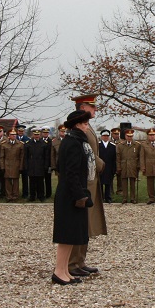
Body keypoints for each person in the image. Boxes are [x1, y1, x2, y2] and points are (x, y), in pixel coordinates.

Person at [51, 110, 94, 285]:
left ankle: (63, 270)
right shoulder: (73, 143)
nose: (87, 126)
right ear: (77, 125)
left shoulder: (74, 141)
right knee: (66, 234)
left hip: (72, 192)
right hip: (70, 194)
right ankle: (59, 271)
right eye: (84, 123)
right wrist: (80, 195)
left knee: (71, 235)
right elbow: (71, 172)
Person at [67, 93, 105, 277]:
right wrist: (100, 164)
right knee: (80, 223)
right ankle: (72, 263)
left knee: (87, 224)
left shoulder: (87, 127)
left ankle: (80, 260)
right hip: (85, 181)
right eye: (92, 107)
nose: (95, 109)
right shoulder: (79, 129)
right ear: (83, 108)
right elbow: (85, 152)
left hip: (90, 180)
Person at [25, 128, 50, 202]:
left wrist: (46, 166)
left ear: (40, 135)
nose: (36, 136)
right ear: (33, 134)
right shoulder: (28, 143)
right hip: (31, 165)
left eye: (38, 134)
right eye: (35, 134)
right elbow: (26, 156)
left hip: (40, 166)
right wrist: (26, 166)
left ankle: (41, 196)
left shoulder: (44, 144)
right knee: (32, 182)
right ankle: (32, 196)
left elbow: (46, 156)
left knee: (40, 182)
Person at [117, 128, 141, 203]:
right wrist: (118, 167)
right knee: (124, 182)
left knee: (132, 182)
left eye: (131, 136)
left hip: (133, 166)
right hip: (124, 165)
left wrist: (138, 165)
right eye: (128, 136)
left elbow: (139, 156)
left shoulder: (137, 145)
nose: (129, 138)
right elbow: (118, 157)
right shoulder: (120, 145)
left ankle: (132, 198)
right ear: (125, 136)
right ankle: (124, 198)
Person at [1, 129, 24, 201]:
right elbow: (1, 157)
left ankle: (15, 196)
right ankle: (9, 196)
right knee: (7, 181)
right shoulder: (4, 144)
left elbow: (22, 157)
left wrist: (21, 166)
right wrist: (2, 166)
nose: (14, 136)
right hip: (7, 164)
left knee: (16, 181)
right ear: (9, 136)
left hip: (16, 164)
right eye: (12, 134)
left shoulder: (20, 144)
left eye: (15, 134)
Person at [97, 129, 117, 203]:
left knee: (108, 184)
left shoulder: (113, 146)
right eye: (104, 136)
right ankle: (101, 198)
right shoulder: (98, 145)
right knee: (100, 183)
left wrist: (114, 169)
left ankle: (108, 197)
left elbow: (114, 159)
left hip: (109, 167)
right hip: (100, 167)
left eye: (107, 136)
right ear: (101, 136)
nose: (105, 137)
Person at [41, 127, 54, 199]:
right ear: (42, 133)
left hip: (48, 164)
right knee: (41, 180)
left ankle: (48, 194)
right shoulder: (39, 141)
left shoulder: (51, 142)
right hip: (40, 164)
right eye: (44, 133)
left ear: (48, 134)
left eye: (46, 133)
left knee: (48, 180)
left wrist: (51, 165)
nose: (45, 134)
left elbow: (51, 155)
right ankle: (41, 193)